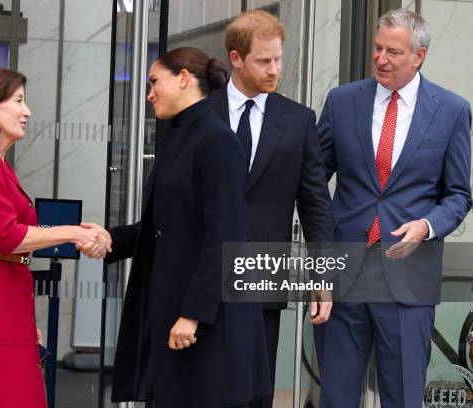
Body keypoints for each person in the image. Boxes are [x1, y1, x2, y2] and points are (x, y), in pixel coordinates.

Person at [316, 9, 471, 407]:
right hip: (341, 275)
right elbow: (312, 179)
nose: (381, 58)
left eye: (394, 52)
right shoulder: (342, 101)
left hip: (408, 275)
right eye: (377, 48)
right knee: (336, 397)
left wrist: (426, 225)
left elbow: (458, 194)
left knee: (402, 398)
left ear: (418, 56)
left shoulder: (452, 111)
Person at [106, 47, 271, 407]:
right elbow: (165, 225)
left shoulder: (216, 140)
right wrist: (108, 239)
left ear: (183, 79)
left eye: (154, 82)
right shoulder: (179, 136)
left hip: (206, 321)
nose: (149, 93)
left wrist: (192, 315)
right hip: (176, 309)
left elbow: (224, 239)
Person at [0, 67, 111, 407]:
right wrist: (75, 232)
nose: (27, 111)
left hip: (6, 302)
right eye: (18, 101)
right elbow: (8, 236)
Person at [209, 10, 333, 407]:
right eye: (264, 60)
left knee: (254, 394)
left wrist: (322, 276)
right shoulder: (198, 114)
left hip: (263, 274)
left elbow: (315, 206)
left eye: (279, 59)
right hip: (200, 271)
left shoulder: (298, 121)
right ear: (236, 58)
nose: (274, 69)